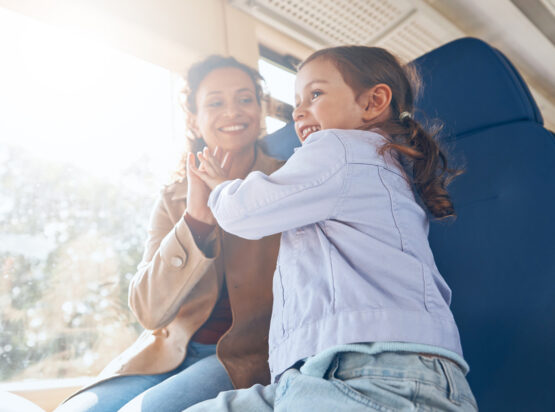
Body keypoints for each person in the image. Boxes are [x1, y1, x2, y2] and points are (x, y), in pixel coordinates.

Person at [185, 46, 478, 411]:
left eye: (316, 94)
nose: (298, 111)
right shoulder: (382, 165)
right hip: (322, 373)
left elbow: (244, 212)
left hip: (376, 373)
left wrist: (220, 185)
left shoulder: (339, 149)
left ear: (373, 102)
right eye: (296, 101)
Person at [55, 55, 283, 412]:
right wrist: (196, 222)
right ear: (194, 118)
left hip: (242, 357)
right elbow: (148, 311)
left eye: (244, 99)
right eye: (215, 102)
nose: (233, 112)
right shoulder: (174, 196)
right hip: (167, 351)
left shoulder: (286, 182)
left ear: (259, 109)